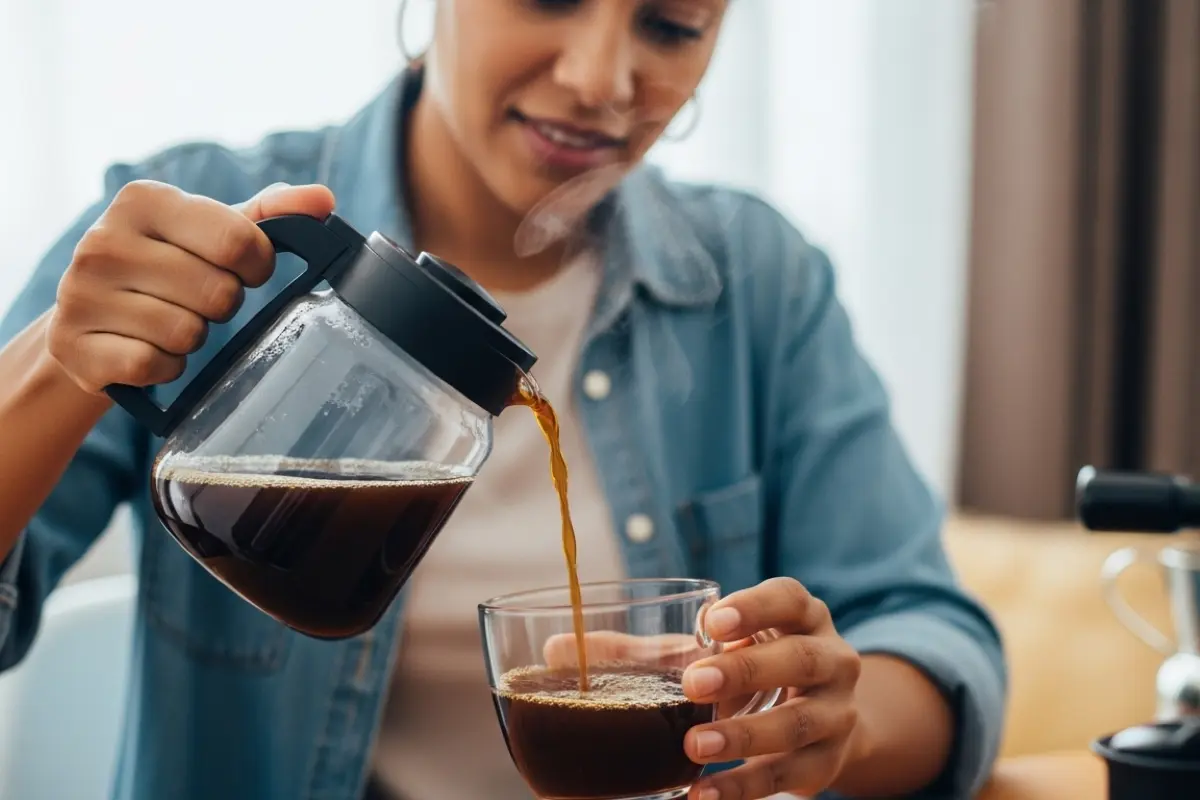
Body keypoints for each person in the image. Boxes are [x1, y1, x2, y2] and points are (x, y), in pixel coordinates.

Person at [0, 1, 1006, 799]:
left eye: (669, 25)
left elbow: (930, 631)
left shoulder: (756, 281)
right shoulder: (204, 227)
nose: (601, 78)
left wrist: (832, 722)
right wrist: (59, 359)